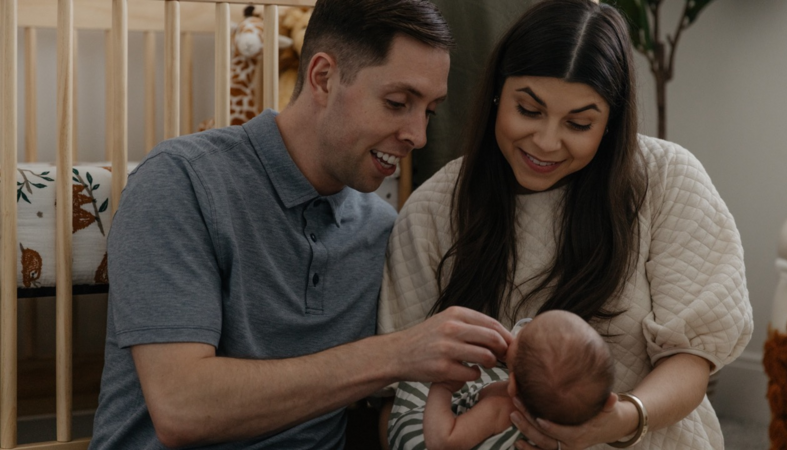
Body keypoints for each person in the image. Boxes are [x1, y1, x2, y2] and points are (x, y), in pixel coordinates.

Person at [89, 1, 514, 449]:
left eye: (428, 111)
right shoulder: (182, 180)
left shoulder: (380, 230)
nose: (418, 135)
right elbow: (181, 407)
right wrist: (397, 354)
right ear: (323, 78)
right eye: (397, 103)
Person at [377, 0, 753, 449]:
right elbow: (397, 397)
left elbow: (692, 357)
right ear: (498, 93)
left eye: (578, 123)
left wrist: (620, 420)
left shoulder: (666, 178)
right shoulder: (434, 209)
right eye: (529, 111)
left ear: (610, 124)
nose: (546, 141)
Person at [416, 311, 615, 450]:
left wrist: (442, 387)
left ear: (513, 386)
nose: (519, 328)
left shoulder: (500, 408)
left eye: (522, 334)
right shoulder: (567, 421)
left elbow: (442, 442)